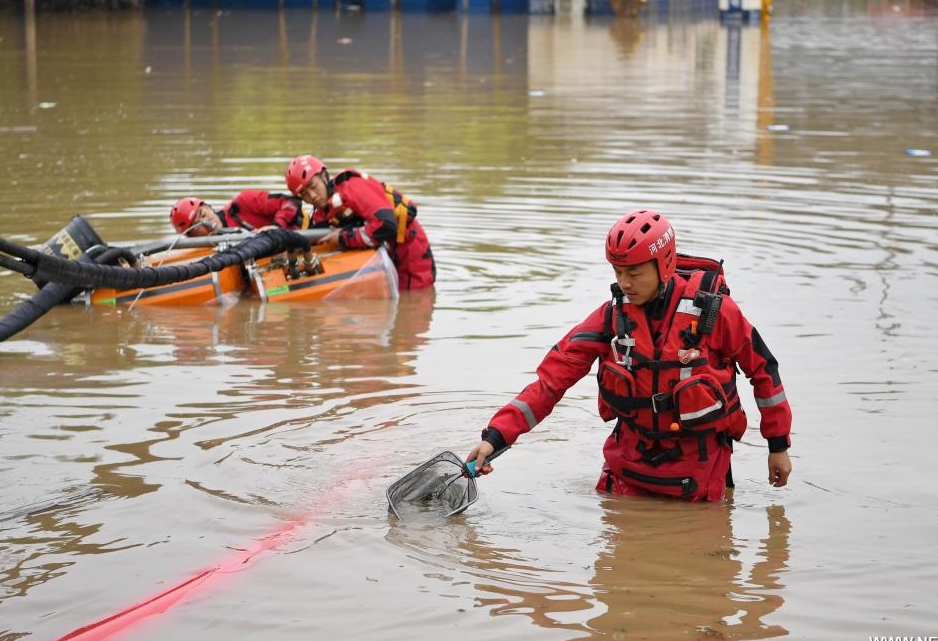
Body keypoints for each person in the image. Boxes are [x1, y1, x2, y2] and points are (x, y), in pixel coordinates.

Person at [466, 209, 792, 501]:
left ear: (664, 264)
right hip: (626, 466)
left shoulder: (715, 314)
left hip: (699, 469)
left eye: (634, 273)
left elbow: (764, 371)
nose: (624, 283)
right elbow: (551, 382)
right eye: (617, 272)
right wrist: (495, 437)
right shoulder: (611, 317)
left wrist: (777, 447)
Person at [284, 155, 436, 291]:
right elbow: (314, 241)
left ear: (324, 177)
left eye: (313, 187)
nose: (312, 196)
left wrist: (343, 237)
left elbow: (387, 226)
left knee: (413, 304)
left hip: (410, 251)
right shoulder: (322, 212)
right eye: (304, 194)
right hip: (385, 256)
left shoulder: (353, 188)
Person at [169, 191, 306, 237]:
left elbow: (291, 202)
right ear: (191, 236)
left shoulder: (243, 202)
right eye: (197, 225)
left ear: (208, 206)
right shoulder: (203, 251)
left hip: (299, 236)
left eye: (203, 213)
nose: (206, 221)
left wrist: (276, 226)